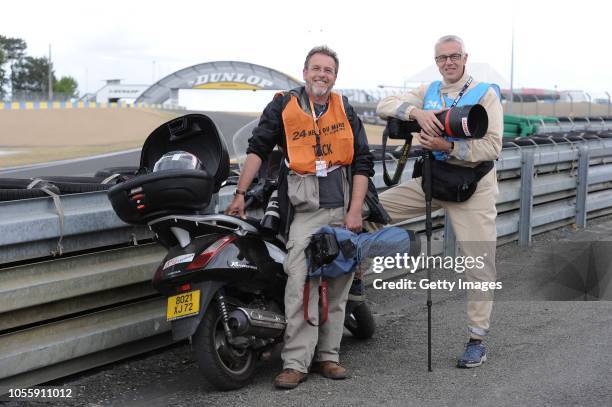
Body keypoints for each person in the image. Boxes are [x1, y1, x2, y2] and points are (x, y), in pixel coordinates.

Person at [225, 45, 374, 389]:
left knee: (339, 283)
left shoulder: (345, 108)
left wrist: (354, 212)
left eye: (329, 70)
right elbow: (257, 149)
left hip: (341, 207)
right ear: (305, 72)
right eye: (316, 69)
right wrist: (240, 194)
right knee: (300, 281)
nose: (322, 75)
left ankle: (328, 358)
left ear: (335, 77)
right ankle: (295, 363)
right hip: (304, 210)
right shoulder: (282, 105)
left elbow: (363, 162)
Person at [375, 34, 503, 368]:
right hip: (434, 179)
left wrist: (449, 147)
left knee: (478, 263)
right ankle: (357, 278)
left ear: (465, 57)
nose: (448, 62)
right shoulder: (429, 91)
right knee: (370, 211)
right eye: (442, 58)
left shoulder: (484, 94)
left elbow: (492, 147)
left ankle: (477, 340)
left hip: (472, 184)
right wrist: (417, 112)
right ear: (436, 62)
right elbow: (383, 105)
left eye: (454, 56)